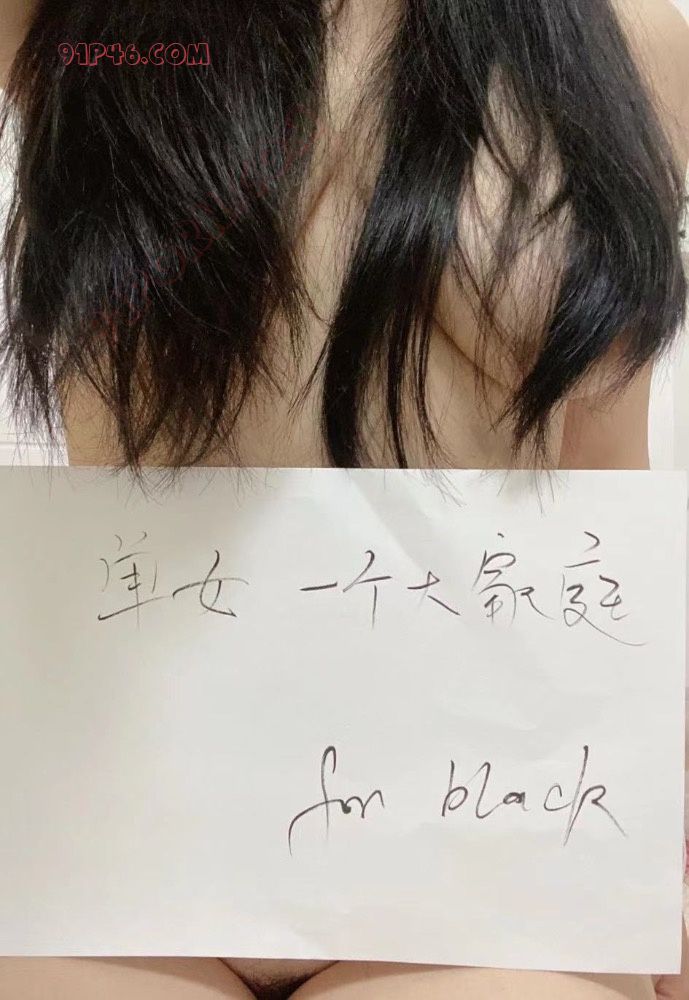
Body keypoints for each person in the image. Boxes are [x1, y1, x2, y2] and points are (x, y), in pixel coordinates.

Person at [1, 0, 688, 997]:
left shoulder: (626, 41)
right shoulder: (74, 22)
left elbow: (605, 477)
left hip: (484, 819)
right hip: (128, 814)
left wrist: (652, 828)